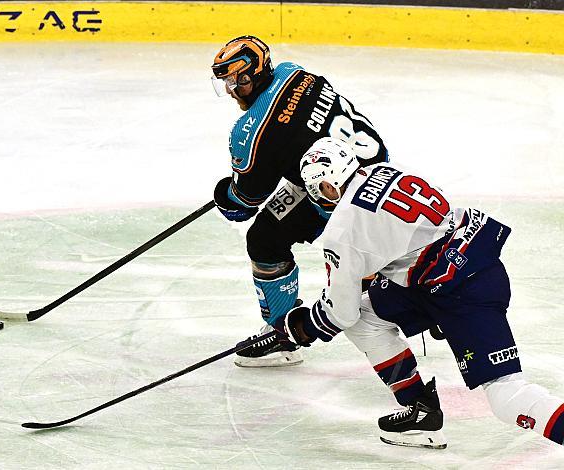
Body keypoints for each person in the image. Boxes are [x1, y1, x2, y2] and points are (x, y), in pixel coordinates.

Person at [272, 136, 564, 449]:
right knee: (365, 318)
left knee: (507, 395)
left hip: (462, 290)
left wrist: (302, 327)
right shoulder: (386, 171)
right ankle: (420, 410)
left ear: (326, 187)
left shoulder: (342, 230)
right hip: (450, 264)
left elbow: (338, 313)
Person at [210, 35, 389, 367]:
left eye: (236, 81)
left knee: (264, 240)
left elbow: (245, 203)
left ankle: (281, 335)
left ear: (251, 75)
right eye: (226, 82)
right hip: (379, 172)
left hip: (337, 194)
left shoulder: (248, 131)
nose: (232, 90)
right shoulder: (296, 73)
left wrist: (225, 196)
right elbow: (295, 136)